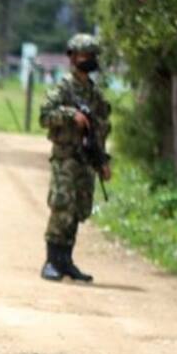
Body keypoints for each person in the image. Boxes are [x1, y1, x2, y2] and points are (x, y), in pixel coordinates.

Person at [39, 33, 112, 282]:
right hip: (65, 158)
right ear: (72, 58)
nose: (89, 60)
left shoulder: (95, 94)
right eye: (84, 55)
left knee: (79, 210)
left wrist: (103, 161)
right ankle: (51, 261)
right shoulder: (63, 88)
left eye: (92, 56)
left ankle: (66, 261)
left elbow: (101, 129)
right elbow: (44, 116)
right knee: (62, 207)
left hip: (85, 160)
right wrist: (70, 115)